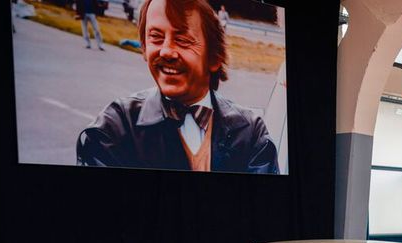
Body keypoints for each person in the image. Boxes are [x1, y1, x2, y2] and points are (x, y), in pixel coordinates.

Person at [77, 0, 279, 174]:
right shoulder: (115, 128)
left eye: (182, 40)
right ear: (144, 49)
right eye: (155, 37)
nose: (165, 51)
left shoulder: (251, 133)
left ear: (215, 57)